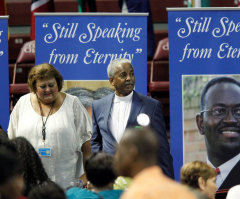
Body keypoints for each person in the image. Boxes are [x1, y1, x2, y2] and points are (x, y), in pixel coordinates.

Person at [8, 63, 92, 189]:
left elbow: (87, 143)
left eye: (51, 85)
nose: (48, 89)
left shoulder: (73, 103)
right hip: (29, 185)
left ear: (58, 84)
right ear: (34, 87)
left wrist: (87, 176)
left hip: (67, 184)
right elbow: (12, 143)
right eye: (43, 86)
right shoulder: (22, 104)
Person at [91, 58, 174, 178]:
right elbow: (96, 142)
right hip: (108, 178)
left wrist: (168, 181)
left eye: (132, 74)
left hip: (140, 176)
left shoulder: (151, 106)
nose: (129, 78)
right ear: (112, 81)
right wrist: (97, 173)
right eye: (123, 75)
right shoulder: (98, 106)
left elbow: (162, 148)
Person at [115, 127, 196, 199]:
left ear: (132, 153)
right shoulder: (183, 193)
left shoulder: (135, 195)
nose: (116, 158)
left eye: (118, 151)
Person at [196, 76, 240, 190]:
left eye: (238, 111)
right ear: (201, 124)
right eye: (219, 111)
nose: (231, 120)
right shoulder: (190, 183)